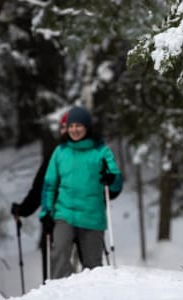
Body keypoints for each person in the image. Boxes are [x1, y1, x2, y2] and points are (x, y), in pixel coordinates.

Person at [39, 106, 123, 279]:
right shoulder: (60, 151)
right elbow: (49, 184)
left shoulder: (101, 151)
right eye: (71, 126)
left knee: (93, 266)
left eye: (78, 126)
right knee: (59, 254)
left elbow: (116, 184)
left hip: (92, 215)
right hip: (65, 213)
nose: (74, 130)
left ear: (87, 127)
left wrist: (111, 179)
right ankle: (60, 294)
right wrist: (46, 212)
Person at [11, 111, 69, 283]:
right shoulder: (53, 156)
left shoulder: (91, 155)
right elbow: (39, 189)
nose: (67, 131)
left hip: (83, 221)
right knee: (56, 274)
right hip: (54, 219)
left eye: (72, 126)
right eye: (64, 127)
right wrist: (23, 209)